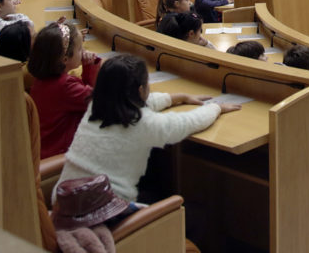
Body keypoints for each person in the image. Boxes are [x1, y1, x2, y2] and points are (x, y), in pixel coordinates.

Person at [54, 54, 240, 203]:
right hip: (104, 209)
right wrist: (217, 108)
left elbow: (139, 100)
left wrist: (177, 97)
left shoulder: (96, 106)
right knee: (195, 217)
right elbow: (187, 122)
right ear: (141, 90)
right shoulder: (142, 123)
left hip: (65, 199)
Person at [28, 20, 101, 158]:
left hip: (44, 151)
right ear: (65, 58)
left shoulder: (41, 79)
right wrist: (90, 66)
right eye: (80, 49)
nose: (84, 52)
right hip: (60, 159)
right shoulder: (66, 86)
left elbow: (81, 99)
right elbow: (98, 101)